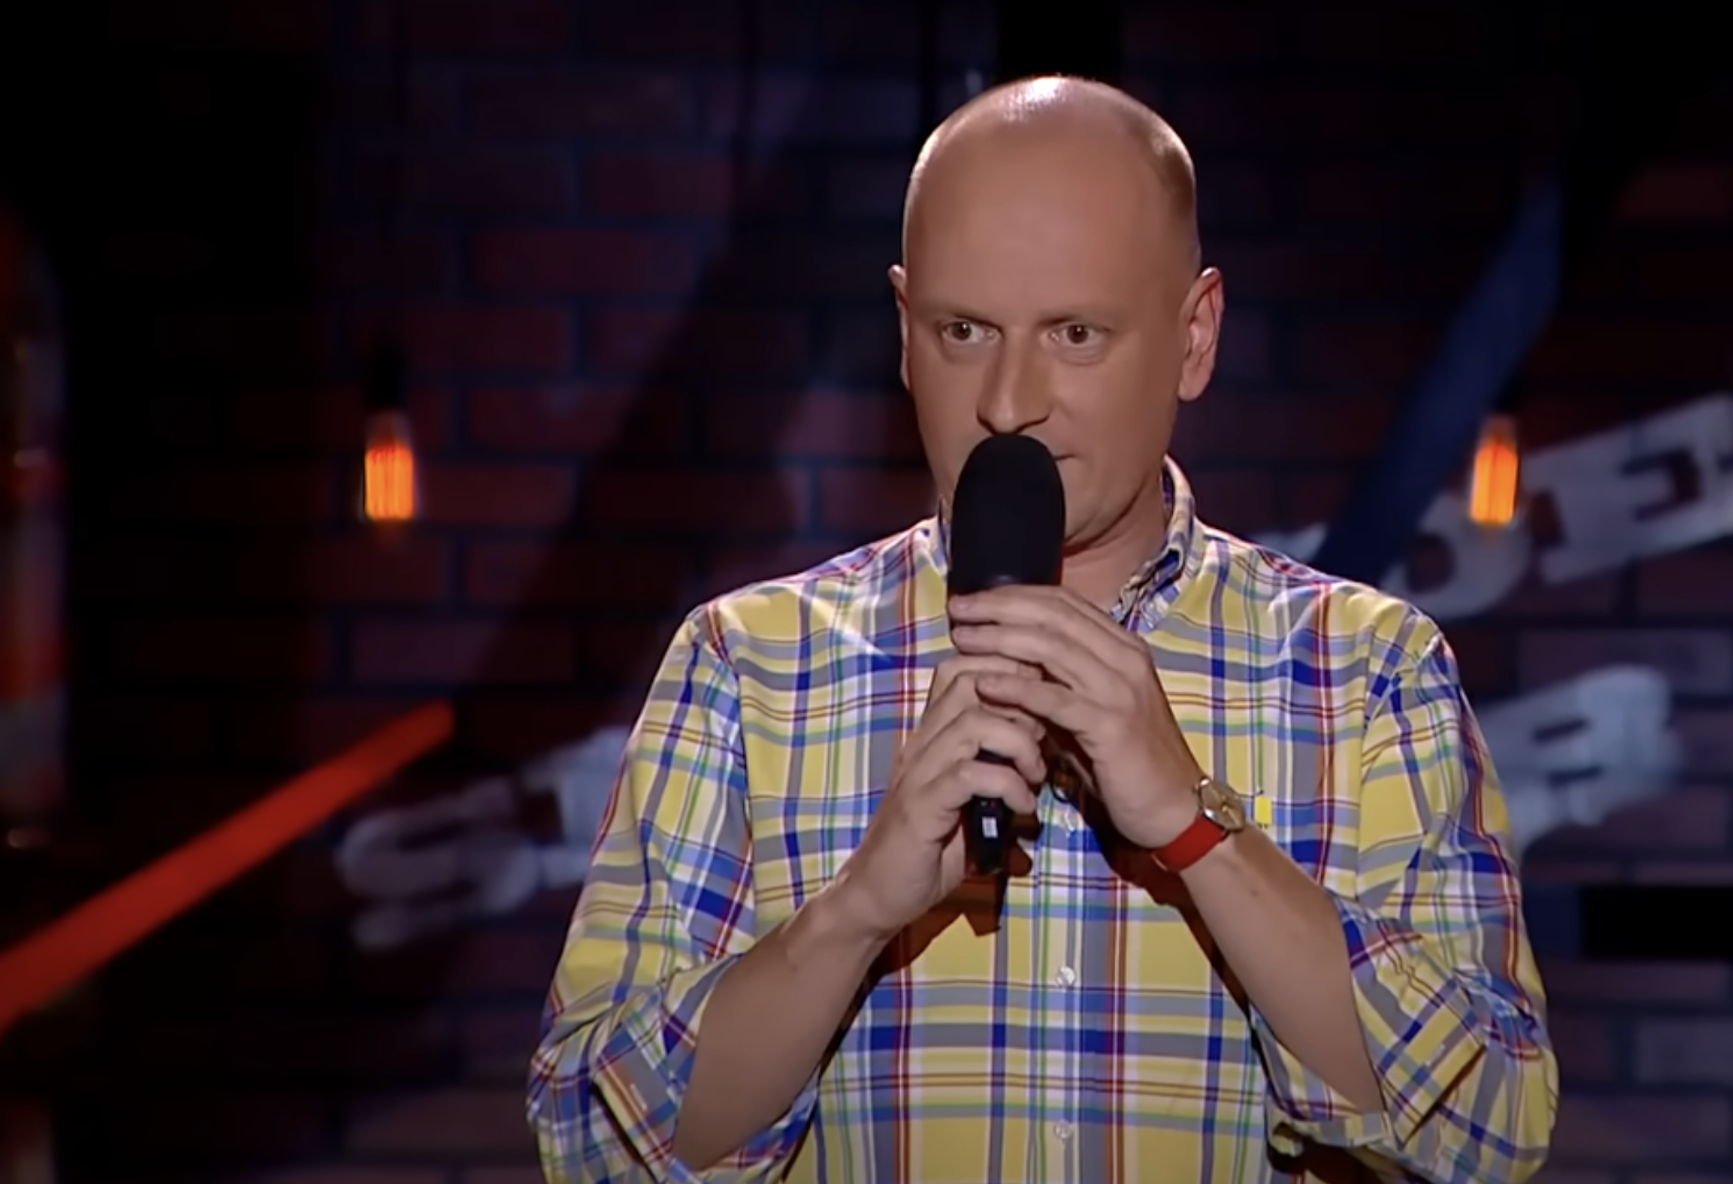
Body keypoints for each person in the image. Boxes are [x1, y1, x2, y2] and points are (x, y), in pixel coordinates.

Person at [527, 76, 1558, 1184]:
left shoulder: (1368, 670)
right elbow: (590, 1147)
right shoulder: (747, 666)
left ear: (1194, 336)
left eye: (1075, 333)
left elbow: (1491, 1132)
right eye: (964, 330)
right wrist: (855, 912)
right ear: (904, 333)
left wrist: (1196, 828)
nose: (1010, 401)